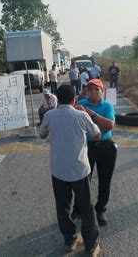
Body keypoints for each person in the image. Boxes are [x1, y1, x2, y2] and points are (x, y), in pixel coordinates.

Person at [40, 85, 101, 256]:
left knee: (63, 206)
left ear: (57, 100)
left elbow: (42, 134)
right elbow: (96, 134)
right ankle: (91, 245)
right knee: (87, 207)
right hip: (79, 170)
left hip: (58, 169)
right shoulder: (81, 115)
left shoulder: (50, 115)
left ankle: (70, 240)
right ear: (75, 99)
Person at [73, 79, 116, 226]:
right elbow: (77, 125)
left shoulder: (107, 106)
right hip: (86, 147)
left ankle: (101, 209)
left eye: (97, 89)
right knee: (83, 180)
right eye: (90, 89)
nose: (93, 92)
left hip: (106, 146)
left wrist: (90, 115)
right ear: (86, 91)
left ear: (102, 92)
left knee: (105, 180)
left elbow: (109, 125)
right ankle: (78, 209)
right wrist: (99, 123)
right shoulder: (79, 106)